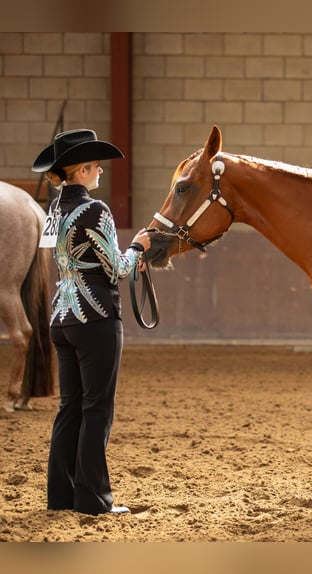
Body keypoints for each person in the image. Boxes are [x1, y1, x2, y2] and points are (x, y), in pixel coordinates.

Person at [32, 129, 152, 516]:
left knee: (70, 409)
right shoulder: (96, 210)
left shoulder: (55, 210)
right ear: (82, 170)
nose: (101, 170)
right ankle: (94, 500)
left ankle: (61, 497)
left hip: (62, 316)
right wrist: (139, 249)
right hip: (96, 316)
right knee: (97, 409)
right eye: (96, 165)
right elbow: (117, 268)